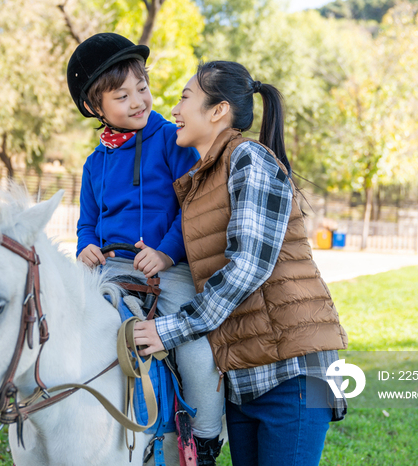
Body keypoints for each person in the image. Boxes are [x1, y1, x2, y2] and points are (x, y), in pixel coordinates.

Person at [133, 61, 349, 466]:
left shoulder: (249, 158)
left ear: (218, 111)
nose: (174, 110)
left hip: (295, 372)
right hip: (246, 376)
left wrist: (170, 330)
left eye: (185, 98)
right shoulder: (203, 177)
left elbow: (248, 266)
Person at [66, 33, 225, 464]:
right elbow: (87, 222)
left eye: (143, 88)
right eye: (122, 96)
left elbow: (192, 207)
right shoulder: (94, 163)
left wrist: (167, 253)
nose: (138, 101)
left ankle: (207, 438)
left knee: (194, 343)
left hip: (166, 270)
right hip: (112, 270)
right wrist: (86, 247)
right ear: (95, 108)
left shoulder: (172, 140)